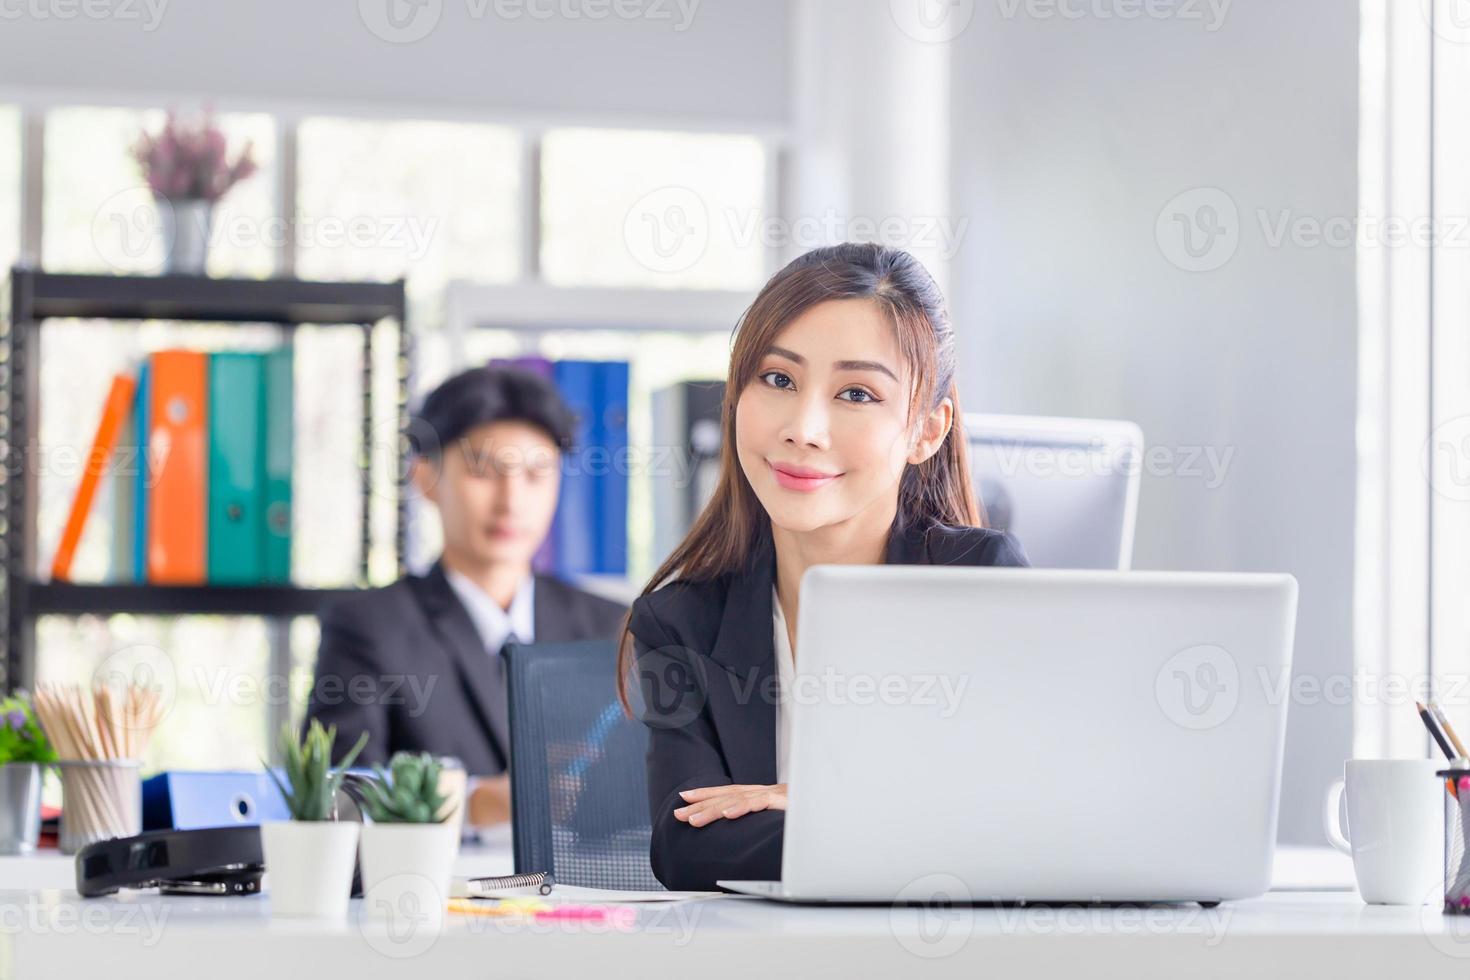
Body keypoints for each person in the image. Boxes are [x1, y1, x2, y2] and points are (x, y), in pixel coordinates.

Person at [618, 243, 1029, 891]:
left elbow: (1018, 818)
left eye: (857, 393)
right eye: (778, 380)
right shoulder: (680, 622)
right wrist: (903, 817)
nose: (803, 428)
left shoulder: (976, 584)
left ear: (927, 430)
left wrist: (816, 806)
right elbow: (686, 849)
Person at [307, 365, 628, 827]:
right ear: (426, 479)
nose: (511, 500)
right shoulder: (369, 627)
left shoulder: (612, 629)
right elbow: (335, 800)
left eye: (536, 475)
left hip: (588, 895)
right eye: (483, 471)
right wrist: (474, 803)